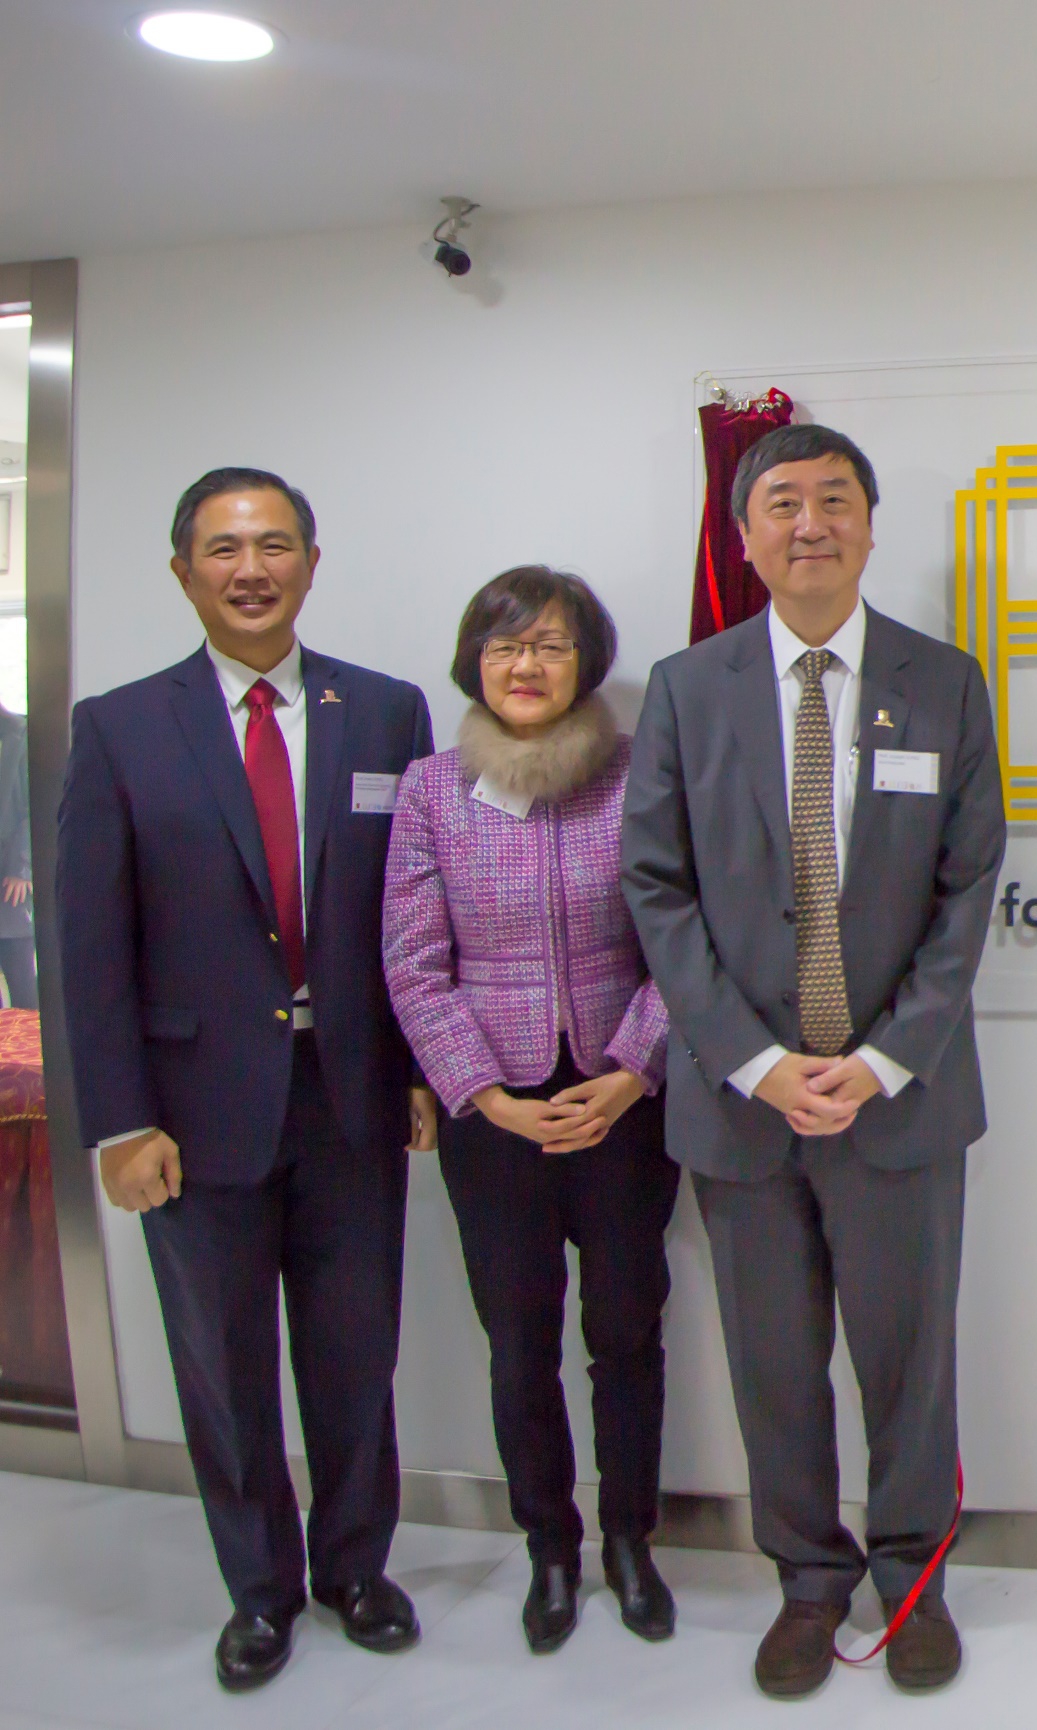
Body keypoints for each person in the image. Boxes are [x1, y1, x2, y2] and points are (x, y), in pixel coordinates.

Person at [621, 422, 1004, 1699]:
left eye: (834, 499)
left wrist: (889, 1056)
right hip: (744, 1108)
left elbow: (968, 886)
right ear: (744, 537)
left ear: (871, 522)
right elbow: (655, 888)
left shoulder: (943, 682)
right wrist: (750, 1057)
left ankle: (912, 1576)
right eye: (780, 503)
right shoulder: (687, 686)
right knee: (773, 1364)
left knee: (909, 1361)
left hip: (899, 1100)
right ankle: (806, 1580)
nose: (808, 524)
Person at [58, 468, 437, 1691]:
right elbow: (91, 941)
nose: (251, 567)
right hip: (192, 1112)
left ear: (312, 564)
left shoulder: (386, 712)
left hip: (353, 1100)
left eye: (275, 544)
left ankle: (355, 1569)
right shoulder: (119, 725)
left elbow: (411, 913)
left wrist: (426, 1067)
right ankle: (260, 1590)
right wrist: (117, 1119)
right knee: (222, 1366)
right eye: (224, 547)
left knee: (353, 1355)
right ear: (183, 571)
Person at [383, 567, 679, 1655]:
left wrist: (635, 1066)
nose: (525, 665)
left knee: (626, 1332)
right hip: (494, 1119)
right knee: (520, 1342)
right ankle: (548, 1547)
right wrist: (484, 1093)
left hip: (620, 1106)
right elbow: (414, 964)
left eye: (550, 645)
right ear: (474, 660)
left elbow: (681, 939)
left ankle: (629, 1539)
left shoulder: (640, 774)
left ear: (584, 662)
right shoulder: (429, 789)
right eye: (505, 645)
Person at [0, 702, 32, 1009]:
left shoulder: (20, 733)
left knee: (20, 972)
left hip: (9, 874)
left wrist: (22, 867)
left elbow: (33, 807)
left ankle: (34, 1055)